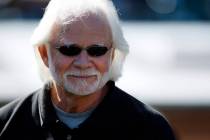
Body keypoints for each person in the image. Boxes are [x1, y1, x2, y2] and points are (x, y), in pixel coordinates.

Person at [0, 0, 176, 139]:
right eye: (70, 49)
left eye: (96, 50)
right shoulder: (7, 125)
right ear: (44, 53)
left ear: (112, 54)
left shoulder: (150, 129)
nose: (83, 62)